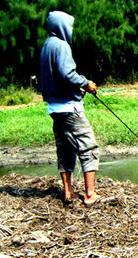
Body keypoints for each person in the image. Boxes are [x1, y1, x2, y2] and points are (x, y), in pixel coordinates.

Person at [39, 11, 103, 206]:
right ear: (61, 26)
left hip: (54, 107)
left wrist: (78, 87)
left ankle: (68, 193)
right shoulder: (62, 45)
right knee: (88, 147)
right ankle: (90, 195)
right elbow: (67, 74)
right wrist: (86, 83)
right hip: (70, 107)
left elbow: (57, 76)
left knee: (65, 148)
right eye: (70, 26)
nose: (71, 30)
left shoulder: (46, 46)